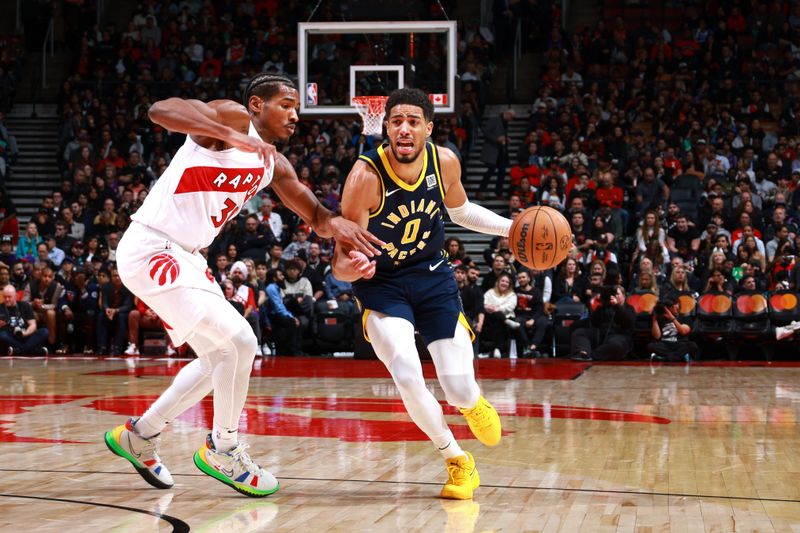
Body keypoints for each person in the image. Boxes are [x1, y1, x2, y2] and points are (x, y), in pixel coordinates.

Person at [104, 74, 382, 498]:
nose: (294, 115)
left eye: (296, 109)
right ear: (256, 105)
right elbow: (161, 110)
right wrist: (227, 134)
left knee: (220, 357)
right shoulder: (231, 119)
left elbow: (318, 218)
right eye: (286, 105)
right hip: (152, 244)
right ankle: (224, 447)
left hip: (187, 257)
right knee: (241, 340)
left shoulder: (273, 164)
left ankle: (141, 434)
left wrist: (338, 225)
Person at [332, 88, 509, 500]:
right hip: (383, 285)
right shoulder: (365, 178)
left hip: (433, 277)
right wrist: (351, 268)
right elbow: (339, 261)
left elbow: (461, 212)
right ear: (386, 129)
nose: (404, 128)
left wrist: (510, 227)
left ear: (428, 129)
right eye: (396, 121)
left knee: (458, 386)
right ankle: (456, 458)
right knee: (408, 375)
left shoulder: (444, 160)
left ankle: (472, 401)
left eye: (413, 121)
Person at [570, 285, 636, 361]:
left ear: (624, 296)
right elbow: (594, 321)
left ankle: (591, 355)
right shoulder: (605, 307)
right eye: (612, 294)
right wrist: (602, 304)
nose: (614, 296)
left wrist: (617, 306)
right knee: (579, 333)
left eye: (617, 294)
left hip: (619, 336)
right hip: (600, 335)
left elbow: (628, 323)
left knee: (616, 345)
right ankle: (583, 353)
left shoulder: (629, 308)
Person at [0, 284, 49, 356]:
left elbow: (33, 325)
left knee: (44, 331)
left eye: (9, 297)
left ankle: (18, 351)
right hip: (11, 338)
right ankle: (33, 350)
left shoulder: (24, 306)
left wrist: (25, 333)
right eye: (5, 297)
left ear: (15, 296)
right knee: (2, 335)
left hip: (26, 335)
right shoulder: (1, 308)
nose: (7, 299)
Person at [648, 295, 698, 362]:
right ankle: (678, 356)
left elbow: (683, 331)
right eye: (671, 306)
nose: (674, 307)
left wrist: (672, 318)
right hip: (665, 344)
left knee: (692, 345)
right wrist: (654, 319)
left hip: (679, 344)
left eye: (676, 304)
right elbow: (657, 336)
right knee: (650, 346)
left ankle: (665, 358)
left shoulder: (685, 318)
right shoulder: (661, 319)